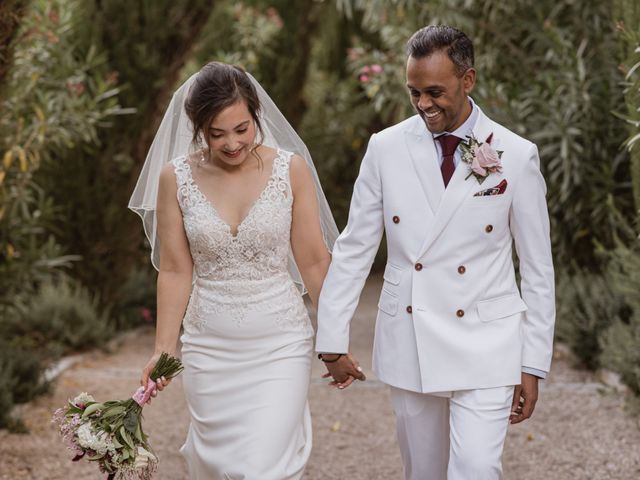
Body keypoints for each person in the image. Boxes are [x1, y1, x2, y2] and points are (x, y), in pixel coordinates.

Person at [315, 25, 555, 479]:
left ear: (468, 81)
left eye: (435, 92)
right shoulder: (384, 148)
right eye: (414, 92)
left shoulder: (516, 155)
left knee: (477, 469)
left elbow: (538, 269)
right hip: (411, 335)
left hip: (488, 341)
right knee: (422, 472)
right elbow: (355, 248)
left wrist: (533, 362)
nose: (424, 104)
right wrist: (331, 338)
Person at [128, 62, 339, 480]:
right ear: (197, 126)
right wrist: (163, 348)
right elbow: (173, 270)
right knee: (218, 468)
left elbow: (314, 259)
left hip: (281, 344)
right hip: (209, 350)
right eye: (216, 132)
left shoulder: (290, 170)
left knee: (261, 469)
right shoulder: (176, 178)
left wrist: (337, 338)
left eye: (241, 129)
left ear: (256, 115)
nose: (231, 143)